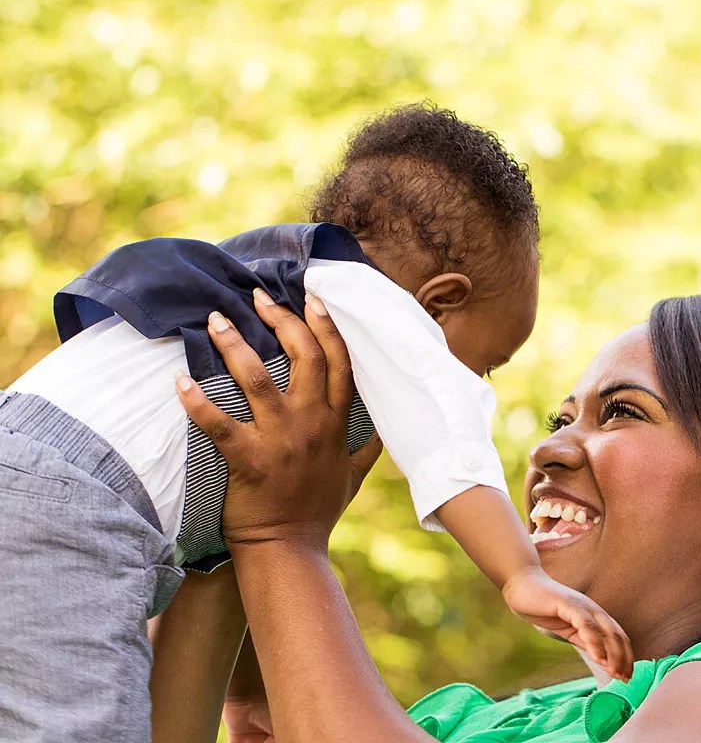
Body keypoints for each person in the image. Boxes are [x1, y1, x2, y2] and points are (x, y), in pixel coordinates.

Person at [0, 104, 630, 743]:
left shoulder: (272, 289)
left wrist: (247, 696)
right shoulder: (379, 307)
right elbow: (450, 443)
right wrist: (519, 573)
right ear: (441, 303)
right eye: (488, 362)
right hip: (69, 509)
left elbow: (222, 534)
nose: (472, 381)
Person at [155, 293, 701, 742]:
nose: (550, 451)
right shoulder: (482, 723)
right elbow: (272, 720)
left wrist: (283, 539)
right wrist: (236, 505)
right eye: (561, 420)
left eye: (622, 413)